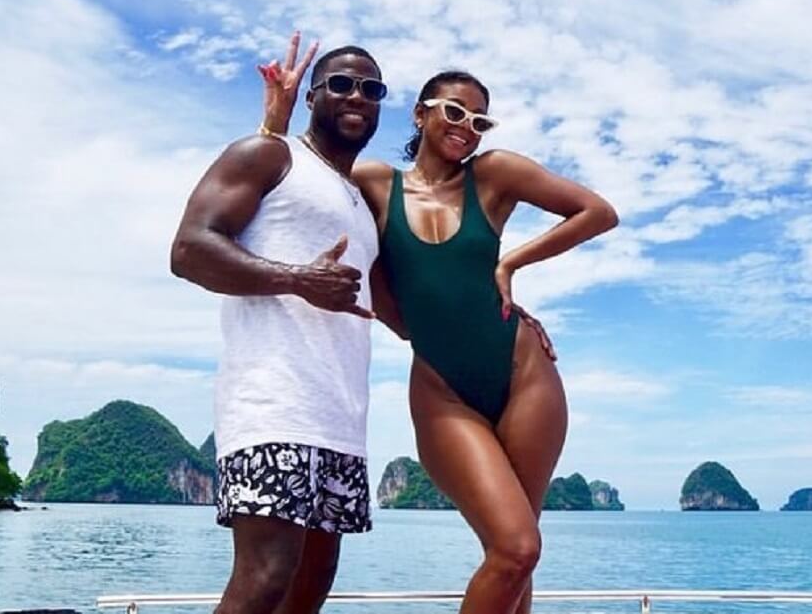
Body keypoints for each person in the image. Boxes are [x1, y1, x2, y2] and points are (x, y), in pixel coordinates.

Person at [260, 46, 618, 614]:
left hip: (525, 375)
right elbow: (300, 182)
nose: (466, 128)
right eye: (454, 112)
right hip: (441, 389)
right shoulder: (375, 183)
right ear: (421, 113)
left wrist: (511, 262)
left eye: (479, 121)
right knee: (516, 547)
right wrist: (276, 124)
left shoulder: (495, 174)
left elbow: (597, 212)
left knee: (516, 554)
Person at [170, 34, 381, 614]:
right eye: (341, 83)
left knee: (308, 590)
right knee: (265, 578)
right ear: (312, 96)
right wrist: (298, 279)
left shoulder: (359, 202)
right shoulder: (268, 156)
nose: (357, 96)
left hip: (339, 420)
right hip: (273, 405)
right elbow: (189, 250)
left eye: (371, 89)